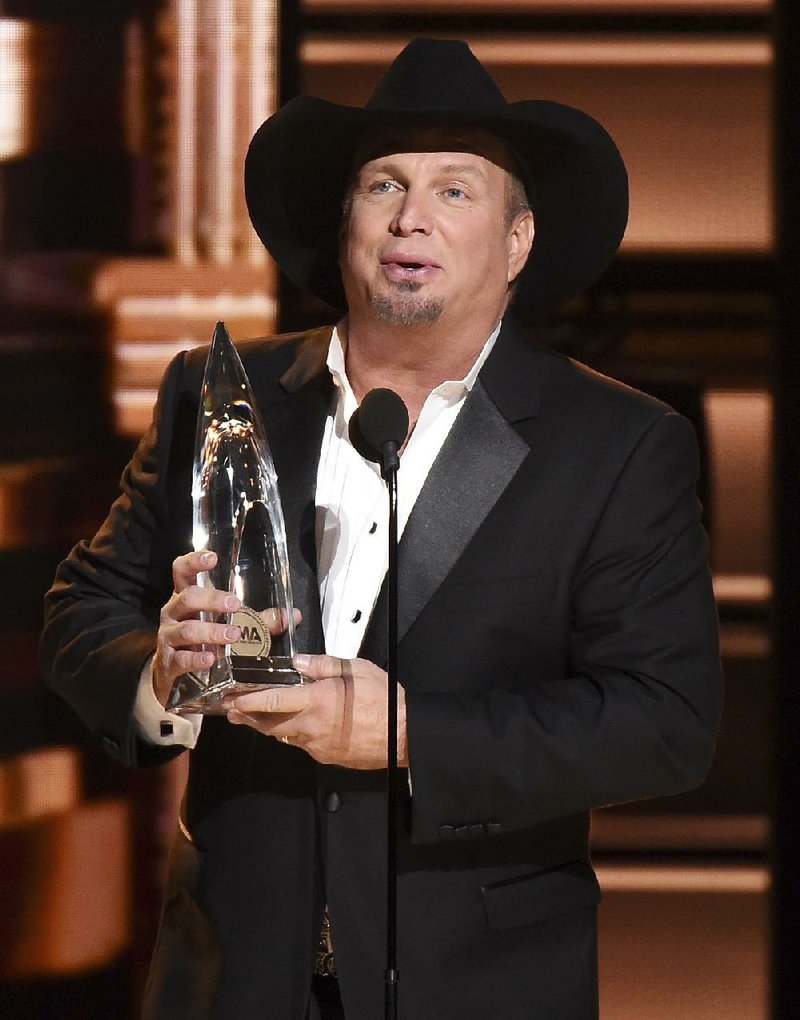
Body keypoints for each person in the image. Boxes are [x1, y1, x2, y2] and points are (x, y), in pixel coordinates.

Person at [40, 38, 722, 1019]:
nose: (411, 216)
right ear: (345, 219)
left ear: (517, 240)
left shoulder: (615, 444)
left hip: (477, 985)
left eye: (455, 191)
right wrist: (161, 677)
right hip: (230, 977)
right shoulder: (216, 393)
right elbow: (79, 610)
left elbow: (664, 724)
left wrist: (407, 736)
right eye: (383, 184)